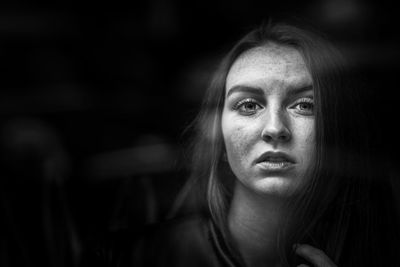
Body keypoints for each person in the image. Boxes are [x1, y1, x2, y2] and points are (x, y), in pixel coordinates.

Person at [90, 21, 400, 267]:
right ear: (219, 138)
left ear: (337, 129)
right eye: (249, 105)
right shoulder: (132, 258)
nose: (275, 129)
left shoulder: (383, 253)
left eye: (305, 105)